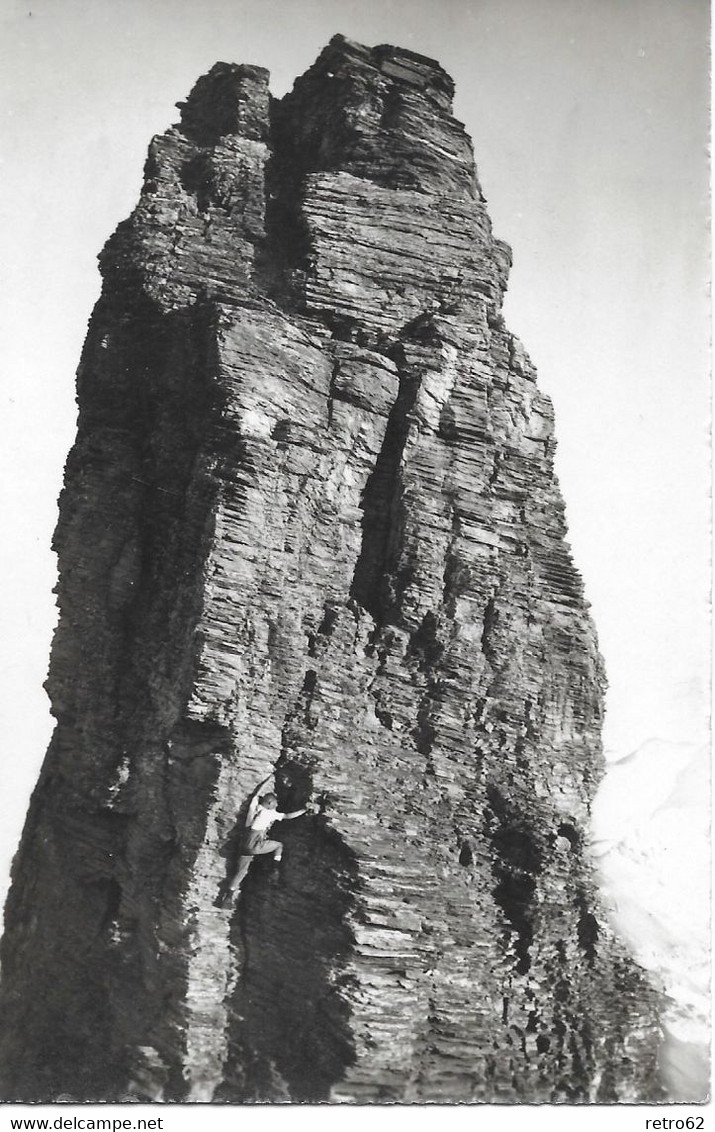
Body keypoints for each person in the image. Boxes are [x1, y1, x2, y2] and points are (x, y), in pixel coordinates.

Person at [220, 779, 309, 904]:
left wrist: (266, 781)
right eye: (275, 803)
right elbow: (288, 816)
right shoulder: (269, 813)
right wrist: (304, 810)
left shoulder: (254, 807)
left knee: (241, 872)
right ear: (269, 803)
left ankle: (228, 897)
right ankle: (275, 868)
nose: (277, 805)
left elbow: (257, 793)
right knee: (279, 845)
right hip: (254, 844)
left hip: (244, 844)